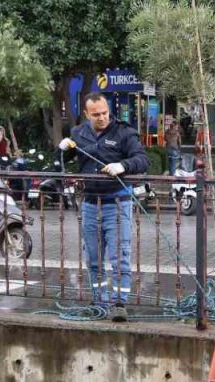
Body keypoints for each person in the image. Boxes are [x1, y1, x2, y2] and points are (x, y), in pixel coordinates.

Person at [59, 92, 149, 322]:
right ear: (87, 114)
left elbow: (142, 160)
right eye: (96, 114)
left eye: (105, 113)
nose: (101, 117)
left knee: (120, 256)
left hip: (117, 203)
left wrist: (123, 165)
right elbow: (62, 160)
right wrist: (64, 149)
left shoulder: (124, 132)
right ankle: (99, 300)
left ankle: (120, 303)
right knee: (93, 257)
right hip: (90, 203)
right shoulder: (78, 133)